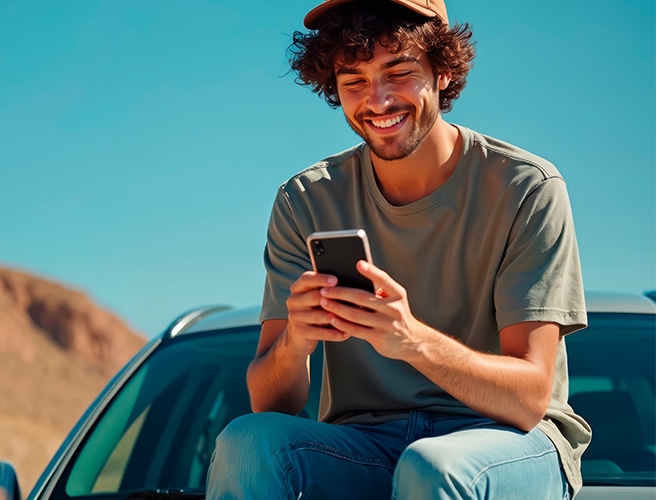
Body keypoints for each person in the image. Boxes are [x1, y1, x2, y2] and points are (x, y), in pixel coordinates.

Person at [205, 0, 590, 498]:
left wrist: (411, 340)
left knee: (431, 468)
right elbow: (270, 402)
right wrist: (297, 339)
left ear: (443, 71)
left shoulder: (526, 187)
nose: (378, 101)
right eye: (354, 81)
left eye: (399, 73)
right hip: (364, 446)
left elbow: (529, 398)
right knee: (247, 440)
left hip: (508, 440)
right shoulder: (305, 200)